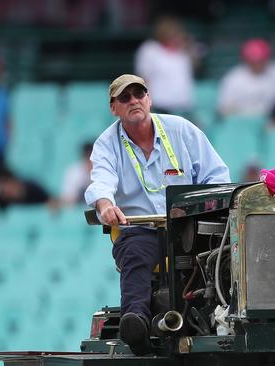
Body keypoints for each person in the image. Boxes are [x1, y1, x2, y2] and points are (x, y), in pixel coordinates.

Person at [85, 74, 230, 355]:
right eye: (125, 98)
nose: (134, 101)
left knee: (224, 252)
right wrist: (105, 206)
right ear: (114, 108)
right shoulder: (106, 144)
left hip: (191, 227)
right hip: (141, 229)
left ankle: (229, 316)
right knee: (136, 250)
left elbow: (217, 178)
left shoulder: (182, 130)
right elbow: (100, 182)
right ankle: (136, 322)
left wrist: (204, 211)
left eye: (139, 94)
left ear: (149, 99)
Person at [134, 16, 197, 116]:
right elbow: (142, 77)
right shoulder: (150, 49)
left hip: (183, 107)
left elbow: (194, 68)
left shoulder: (183, 53)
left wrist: (190, 48)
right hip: (159, 107)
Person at [217, 38, 275, 118]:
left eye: (261, 60)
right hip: (242, 122)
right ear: (246, 60)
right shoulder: (233, 78)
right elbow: (223, 109)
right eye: (254, 61)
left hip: (272, 121)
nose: (258, 64)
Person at [61, 142, 93, 207]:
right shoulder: (73, 172)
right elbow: (68, 199)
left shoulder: (104, 170)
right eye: (87, 156)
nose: (90, 160)